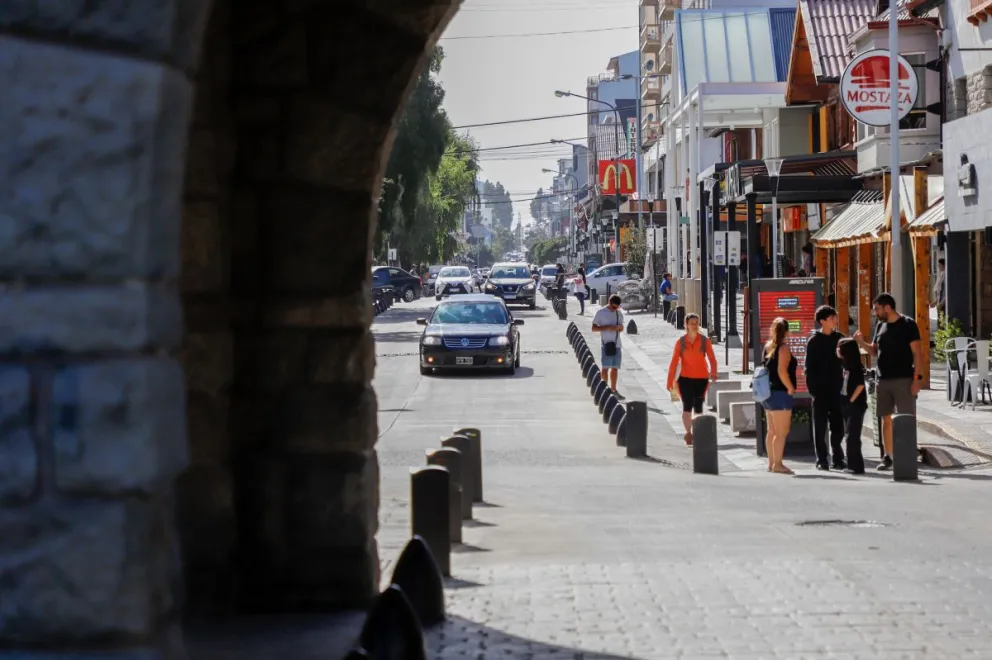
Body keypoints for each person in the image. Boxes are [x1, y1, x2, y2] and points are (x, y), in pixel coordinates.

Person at [853, 293, 922, 471]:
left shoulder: (908, 324)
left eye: (877, 309)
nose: (875, 313)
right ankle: (888, 456)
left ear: (887, 308)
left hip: (904, 378)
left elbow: (917, 354)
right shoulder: (880, 325)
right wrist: (861, 343)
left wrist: (916, 379)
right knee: (885, 419)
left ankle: (906, 455)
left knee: (906, 417)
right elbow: (874, 351)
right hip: (883, 379)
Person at [665, 313, 718, 446]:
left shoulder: (705, 341)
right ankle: (689, 432)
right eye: (692, 323)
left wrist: (714, 373)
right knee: (687, 405)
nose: (694, 326)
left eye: (696, 323)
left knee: (698, 406)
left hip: (701, 378)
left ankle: (697, 432)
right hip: (685, 379)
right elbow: (673, 362)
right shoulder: (681, 342)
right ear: (686, 325)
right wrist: (670, 380)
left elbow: (712, 358)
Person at [805, 305, 846, 471]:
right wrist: (813, 390)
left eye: (835, 317)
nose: (835, 320)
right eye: (832, 318)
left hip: (836, 389)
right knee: (820, 427)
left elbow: (846, 361)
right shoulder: (814, 341)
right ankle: (822, 459)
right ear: (822, 321)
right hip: (820, 391)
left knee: (838, 427)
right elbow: (809, 367)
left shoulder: (840, 338)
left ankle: (838, 458)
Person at [762, 317, 797, 474]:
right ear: (787, 331)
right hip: (781, 393)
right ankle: (778, 464)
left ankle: (771, 463)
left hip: (768, 393)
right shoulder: (783, 348)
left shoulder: (768, 347)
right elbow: (782, 371)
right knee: (782, 432)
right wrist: (790, 387)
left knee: (772, 431)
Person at [837, 338, 867, 475]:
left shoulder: (856, 367)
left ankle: (855, 466)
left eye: (839, 348)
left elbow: (860, 385)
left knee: (852, 436)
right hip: (846, 403)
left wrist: (851, 400)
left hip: (856, 404)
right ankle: (853, 464)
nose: (837, 350)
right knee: (850, 435)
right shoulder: (844, 365)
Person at [593, 294, 625, 398]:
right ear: (609, 302)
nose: (614, 309)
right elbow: (594, 328)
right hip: (605, 344)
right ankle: (604, 389)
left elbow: (622, 327)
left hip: (617, 344)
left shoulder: (619, 314)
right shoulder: (601, 313)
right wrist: (607, 327)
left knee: (615, 368)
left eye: (616, 307)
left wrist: (619, 328)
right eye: (613, 307)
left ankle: (614, 389)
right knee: (605, 368)